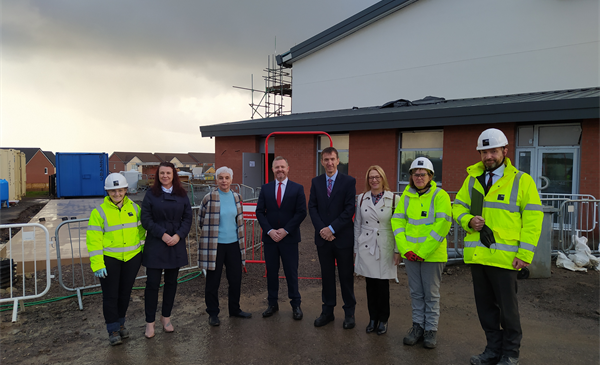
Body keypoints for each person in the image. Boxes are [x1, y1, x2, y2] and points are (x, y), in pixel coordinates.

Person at [452, 128, 543, 365]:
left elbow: (533, 220)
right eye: (483, 152)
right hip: (478, 256)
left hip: (506, 259)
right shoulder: (472, 179)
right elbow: (458, 207)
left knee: (508, 311)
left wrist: (524, 254)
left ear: (505, 151)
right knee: (486, 311)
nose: (487, 156)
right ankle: (493, 350)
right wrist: (467, 220)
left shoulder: (522, 181)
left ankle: (510, 354)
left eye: (493, 151)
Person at [391, 157, 452, 349]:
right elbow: (397, 223)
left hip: (432, 256)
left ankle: (430, 330)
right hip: (411, 256)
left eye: (422, 174)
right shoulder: (406, 197)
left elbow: (442, 226)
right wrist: (406, 250)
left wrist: (423, 252)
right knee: (416, 293)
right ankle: (417, 327)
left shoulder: (440, 196)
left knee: (431, 294)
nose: (418, 177)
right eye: (415, 174)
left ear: (430, 176)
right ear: (410, 176)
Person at [86, 173, 146, 346]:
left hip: (132, 259)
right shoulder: (99, 213)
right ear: (107, 192)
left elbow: (141, 233)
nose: (117, 194)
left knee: (125, 294)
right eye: (113, 191)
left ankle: (120, 324)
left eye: (120, 190)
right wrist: (97, 263)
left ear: (126, 190)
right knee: (110, 296)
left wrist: (141, 253)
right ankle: (112, 329)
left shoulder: (134, 209)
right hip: (110, 259)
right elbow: (94, 241)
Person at [141, 162, 192, 338]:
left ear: (173, 175)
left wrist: (178, 236)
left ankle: (166, 318)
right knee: (152, 284)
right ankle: (150, 322)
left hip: (175, 244)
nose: (165, 176)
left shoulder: (182, 195)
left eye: (168, 173)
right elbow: (146, 219)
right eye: (162, 173)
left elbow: (187, 218)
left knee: (171, 283)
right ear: (158, 175)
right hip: (156, 244)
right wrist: (162, 234)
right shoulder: (150, 195)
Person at [308, 146, 357, 329]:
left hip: (342, 238)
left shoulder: (348, 181)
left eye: (332, 159)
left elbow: (349, 209)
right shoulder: (316, 182)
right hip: (323, 239)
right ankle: (327, 311)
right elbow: (312, 207)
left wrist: (332, 228)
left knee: (345, 277)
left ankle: (349, 313)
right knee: (327, 276)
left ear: (338, 161)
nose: (329, 163)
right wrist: (323, 229)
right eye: (326, 159)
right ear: (322, 162)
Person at [198, 166, 251, 326]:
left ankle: (234, 309)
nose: (224, 181)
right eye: (221, 178)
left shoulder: (236, 197)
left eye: (227, 178)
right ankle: (213, 313)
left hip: (234, 244)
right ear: (216, 180)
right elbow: (201, 220)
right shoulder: (209, 198)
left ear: (231, 180)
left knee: (235, 279)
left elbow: (239, 221)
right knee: (213, 281)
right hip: (215, 246)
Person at [256, 156, 307, 320]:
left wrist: (285, 230)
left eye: (282, 167)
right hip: (270, 239)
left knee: (291, 272)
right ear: (273, 169)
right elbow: (259, 212)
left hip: (289, 238)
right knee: (271, 272)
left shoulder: (297, 188)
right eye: (277, 167)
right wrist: (270, 230)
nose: (280, 170)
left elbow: (301, 213)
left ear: (288, 168)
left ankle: (296, 305)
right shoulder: (265, 188)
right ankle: (272, 304)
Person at [354, 165, 400, 335]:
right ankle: (372, 318)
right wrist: (356, 247)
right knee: (370, 284)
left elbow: (398, 227)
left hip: (384, 245)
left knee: (382, 285)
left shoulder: (394, 199)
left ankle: (383, 319)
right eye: (371, 177)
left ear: (383, 179)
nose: (374, 180)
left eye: (377, 177)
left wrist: (397, 250)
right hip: (366, 243)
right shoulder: (361, 198)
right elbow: (357, 224)